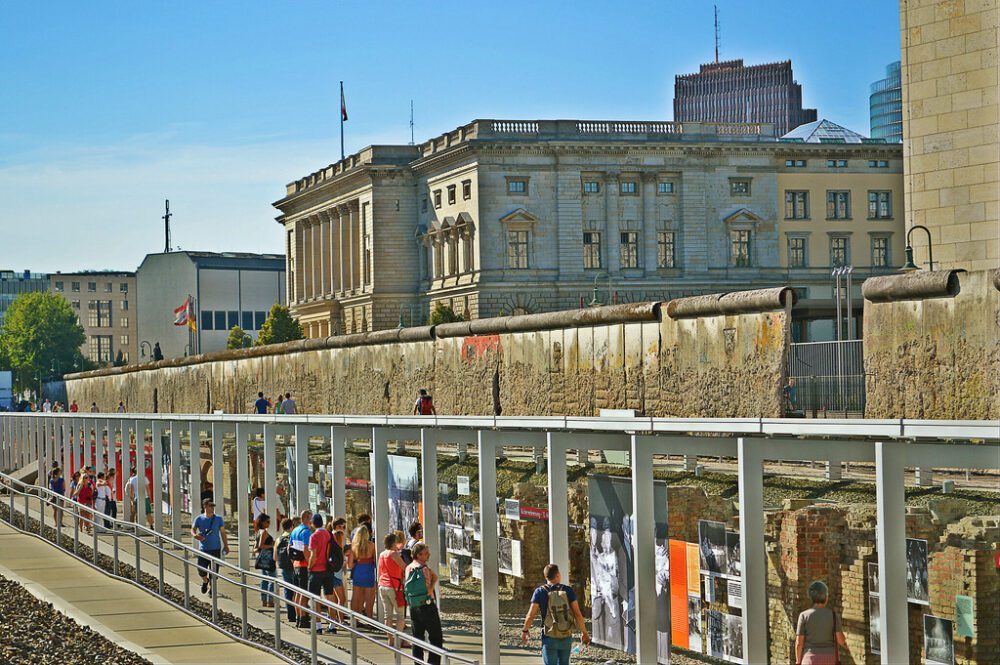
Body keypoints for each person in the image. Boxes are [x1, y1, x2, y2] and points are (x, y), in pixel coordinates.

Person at [521, 563, 590, 665]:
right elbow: (578, 614)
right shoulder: (568, 590)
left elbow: (531, 615)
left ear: (546, 577)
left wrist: (525, 630)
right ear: (557, 574)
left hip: (549, 635)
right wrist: (584, 633)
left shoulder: (539, 591)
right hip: (566, 634)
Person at [404, 542, 442, 665]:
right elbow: (429, 590)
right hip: (427, 606)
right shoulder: (424, 569)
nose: (428, 555)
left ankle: (418, 663)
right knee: (436, 638)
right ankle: (433, 663)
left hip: (414, 607)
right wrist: (434, 580)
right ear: (419, 555)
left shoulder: (408, 568)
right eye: (425, 553)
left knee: (417, 638)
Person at [795, 580, 845, 665]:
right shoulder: (833, 616)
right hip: (829, 659)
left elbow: (799, 643)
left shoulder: (803, 616)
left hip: (810, 659)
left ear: (811, 597)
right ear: (826, 597)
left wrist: (798, 661)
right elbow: (841, 641)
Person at [192, 498, 229, 595]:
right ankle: (205, 581)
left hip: (215, 549)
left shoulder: (218, 519)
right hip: (203, 550)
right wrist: (195, 535)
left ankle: (212, 589)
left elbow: (223, 533)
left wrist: (226, 545)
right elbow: (193, 529)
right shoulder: (199, 519)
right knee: (201, 570)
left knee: (214, 572)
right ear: (205, 506)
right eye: (210, 506)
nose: (212, 508)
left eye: (213, 506)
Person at [306, 513, 336, 634]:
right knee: (329, 596)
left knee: (315, 598)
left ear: (313, 524)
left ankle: (318, 626)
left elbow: (313, 555)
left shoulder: (314, 536)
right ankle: (332, 624)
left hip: (316, 570)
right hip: (328, 569)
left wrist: (309, 567)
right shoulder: (328, 534)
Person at [377, 532, 408, 645]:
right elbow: (405, 567)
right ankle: (398, 640)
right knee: (400, 614)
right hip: (394, 586)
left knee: (388, 615)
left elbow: (380, 571)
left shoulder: (382, 554)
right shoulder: (394, 554)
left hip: (382, 585)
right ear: (393, 543)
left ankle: (390, 639)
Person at [289, 509, 314, 627]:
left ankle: (299, 617)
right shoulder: (306, 531)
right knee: (303, 593)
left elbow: (290, 547)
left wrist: (293, 562)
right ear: (308, 519)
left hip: (296, 565)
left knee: (297, 593)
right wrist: (310, 564)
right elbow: (305, 549)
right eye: (311, 518)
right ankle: (303, 618)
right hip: (303, 565)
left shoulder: (295, 530)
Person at [350, 524, 377, 618]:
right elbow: (374, 560)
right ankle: (369, 619)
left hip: (358, 570)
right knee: (369, 598)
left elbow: (350, 565)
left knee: (355, 597)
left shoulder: (354, 547)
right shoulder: (372, 545)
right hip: (368, 570)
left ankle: (354, 619)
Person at [275, 518, 298, 623]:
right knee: (297, 591)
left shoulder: (278, 539)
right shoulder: (292, 537)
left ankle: (291, 615)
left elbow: (275, 557)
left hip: (283, 567)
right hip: (293, 567)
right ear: (291, 526)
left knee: (287, 592)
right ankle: (300, 614)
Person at [253, 513, 276, 608]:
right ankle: (270, 601)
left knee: (264, 579)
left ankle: (264, 600)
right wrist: (273, 545)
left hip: (262, 558)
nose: (269, 523)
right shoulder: (264, 532)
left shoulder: (258, 532)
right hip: (268, 557)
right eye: (267, 522)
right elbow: (261, 546)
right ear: (262, 522)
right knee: (272, 579)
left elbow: (255, 547)